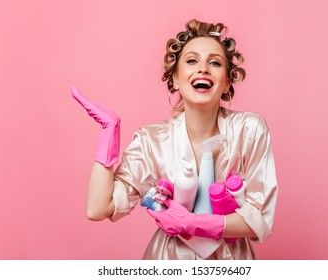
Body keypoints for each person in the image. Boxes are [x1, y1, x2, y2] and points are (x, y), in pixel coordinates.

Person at [71, 19, 278, 260]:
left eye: (214, 62)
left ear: (227, 83)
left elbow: (260, 217)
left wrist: (191, 223)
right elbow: (97, 208)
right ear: (176, 79)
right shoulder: (152, 141)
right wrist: (109, 131)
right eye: (191, 60)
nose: (203, 68)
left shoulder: (249, 130)